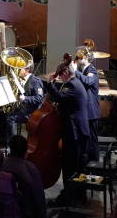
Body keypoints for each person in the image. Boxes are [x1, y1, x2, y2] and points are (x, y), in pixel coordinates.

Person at [42, 58, 90, 203]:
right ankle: (77, 195)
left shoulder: (72, 86)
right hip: (78, 132)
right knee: (77, 167)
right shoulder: (74, 83)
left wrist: (50, 84)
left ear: (65, 73)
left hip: (75, 133)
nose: (59, 78)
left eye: (59, 75)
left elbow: (59, 97)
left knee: (70, 166)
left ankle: (68, 197)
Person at [0, 63, 43, 146]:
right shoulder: (19, 79)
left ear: (27, 70)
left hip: (30, 111)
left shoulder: (35, 81)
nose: (17, 70)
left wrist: (25, 98)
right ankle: (4, 140)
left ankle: (13, 145)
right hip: (21, 108)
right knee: (0, 113)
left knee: (10, 118)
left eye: (20, 69)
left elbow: (39, 98)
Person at [2, 135, 45, 218]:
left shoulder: (0, 164)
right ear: (26, 150)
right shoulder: (31, 169)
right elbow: (39, 199)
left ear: (10, 148)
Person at [73, 44, 100, 162]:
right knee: (85, 139)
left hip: (91, 111)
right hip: (85, 111)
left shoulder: (92, 70)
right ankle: (86, 164)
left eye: (79, 58)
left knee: (92, 140)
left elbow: (88, 81)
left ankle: (95, 165)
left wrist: (75, 72)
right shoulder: (82, 70)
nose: (78, 60)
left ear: (86, 58)